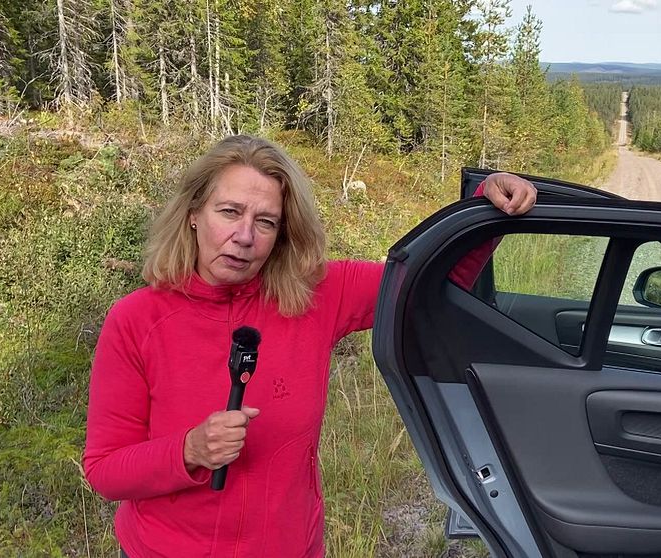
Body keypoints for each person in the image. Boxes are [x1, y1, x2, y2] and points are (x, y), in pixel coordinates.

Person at [82, 134, 536, 557]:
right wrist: (189, 450)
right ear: (193, 214)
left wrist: (485, 207)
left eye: (265, 222)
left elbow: (432, 287)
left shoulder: (314, 295)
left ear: (281, 234)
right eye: (229, 212)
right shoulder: (136, 320)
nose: (244, 236)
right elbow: (105, 469)